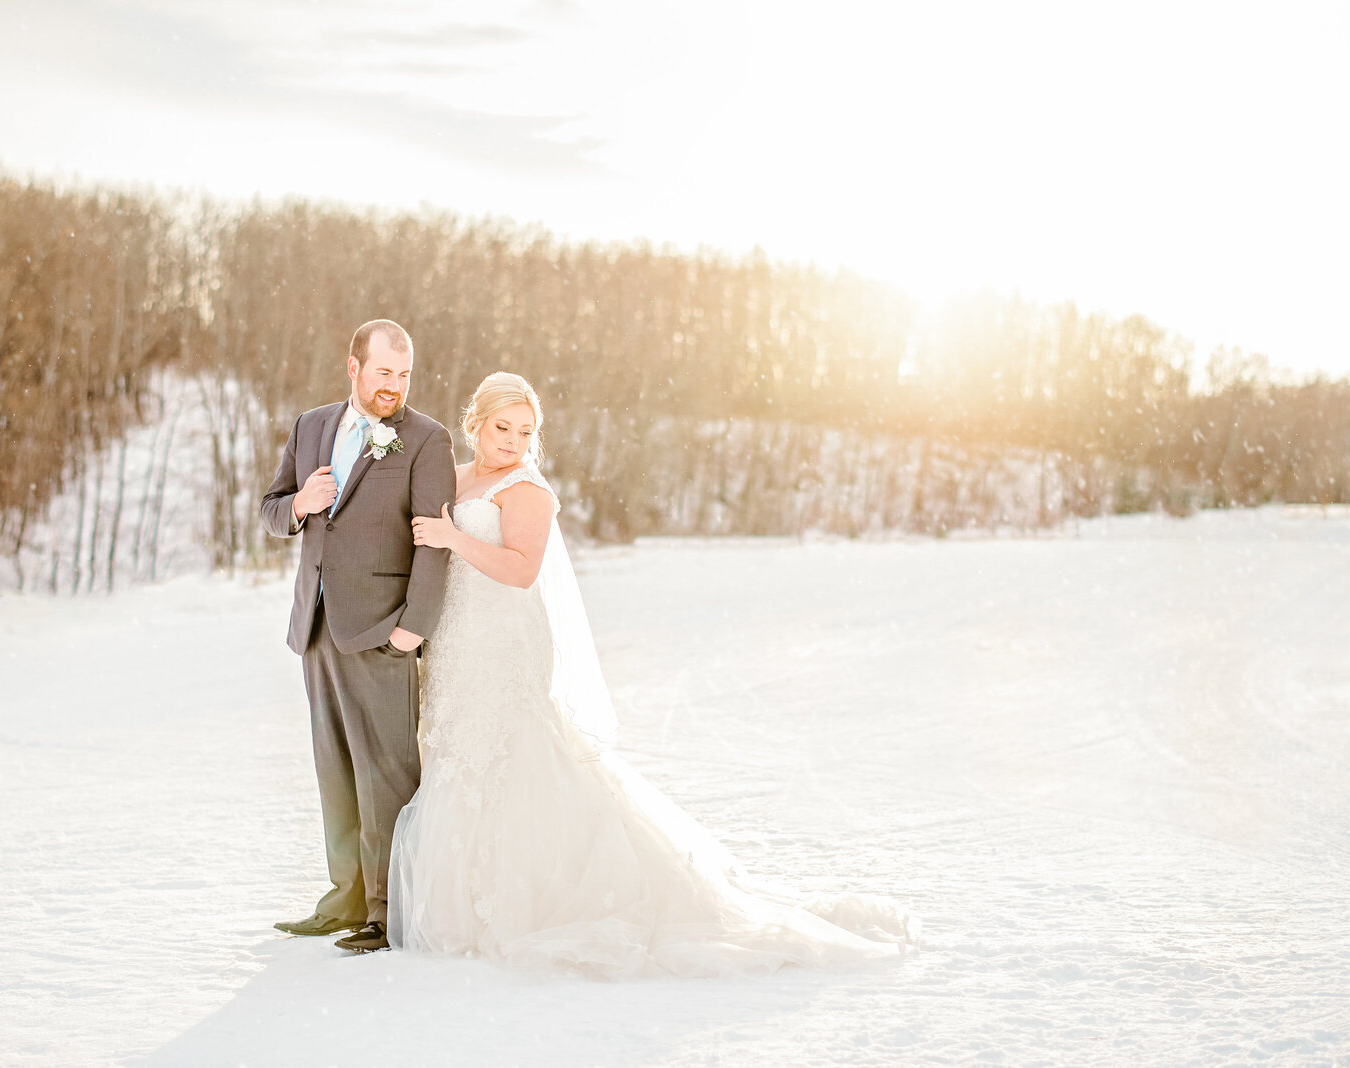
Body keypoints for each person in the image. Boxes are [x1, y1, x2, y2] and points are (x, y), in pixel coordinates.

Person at [394, 371, 918, 978]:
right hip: (460, 639)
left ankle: (534, 899)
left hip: (507, 642)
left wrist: (454, 537)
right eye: (502, 427)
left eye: (525, 431)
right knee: (457, 751)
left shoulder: (526, 489)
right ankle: (457, 903)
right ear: (475, 423)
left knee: (516, 755)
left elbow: (519, 571)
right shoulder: (456, 479)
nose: (512, 441)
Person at [259, 319, 456, 954]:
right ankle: (343, 897)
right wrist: (299, 505)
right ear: (354, 368)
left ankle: (388, 909)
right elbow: (269, 507)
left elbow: (434, 545)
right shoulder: (311, 426)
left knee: (388, 776)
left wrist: (412, 629)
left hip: (381, 631)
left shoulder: (427, 441)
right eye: (383, 374)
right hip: (316, 625)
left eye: (404, 375)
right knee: (335, 771)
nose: (394, 387)